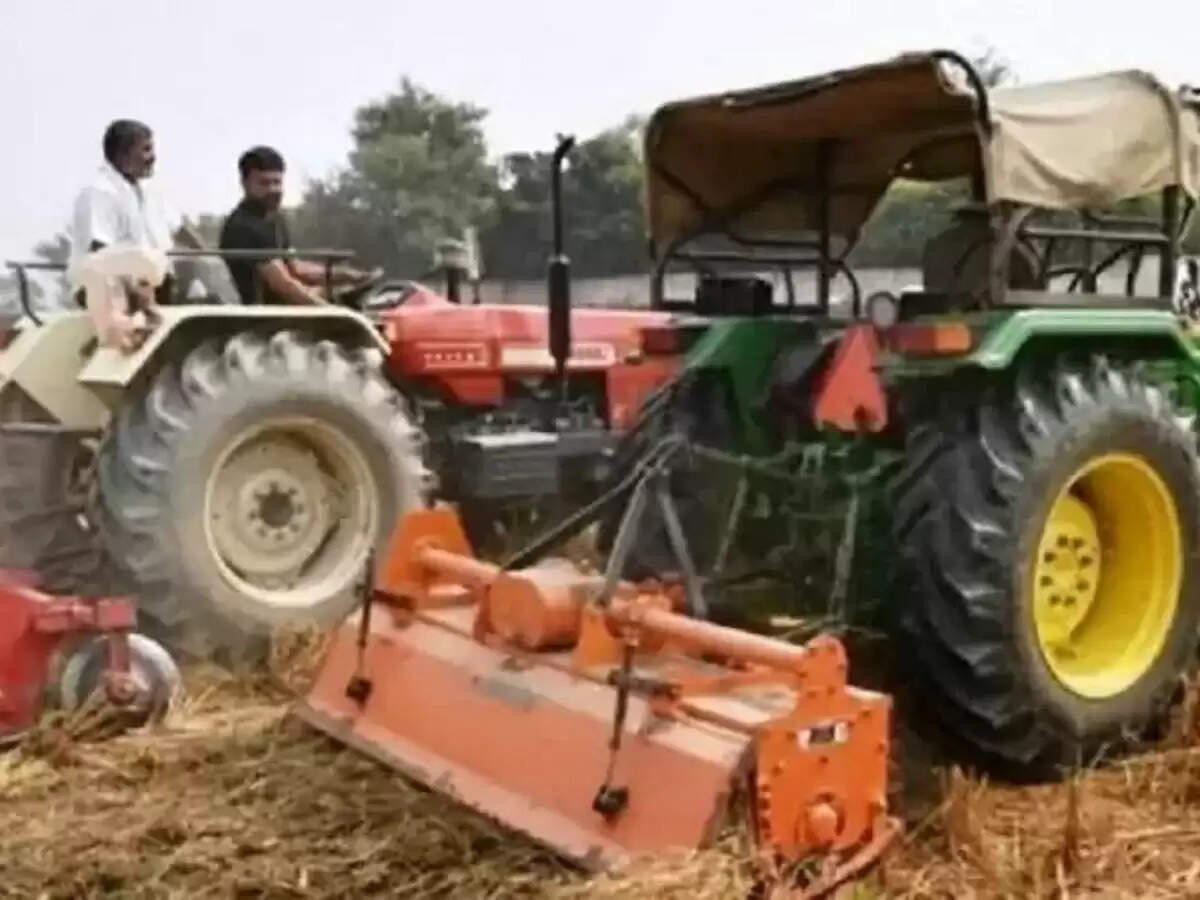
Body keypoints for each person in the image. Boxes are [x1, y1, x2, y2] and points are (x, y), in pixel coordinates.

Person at [218, 146, 374, 305]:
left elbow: (296, 269)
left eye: (277, 182)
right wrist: (329, 310)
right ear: (245, 184)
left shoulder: (274, 220)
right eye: (264, 183)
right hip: (262, 313)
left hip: (283, 306)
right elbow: (284, 286)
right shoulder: (243, 226)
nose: (272, 189)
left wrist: (347, 275)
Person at [68, 119, 180, 307]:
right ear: (122, 155)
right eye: (146, 150)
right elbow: (100, 250)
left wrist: (216, 259)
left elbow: (179, 229)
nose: (153, 157)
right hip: (114, 295)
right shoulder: (99, 192)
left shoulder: (150, 192)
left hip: (155, 290)